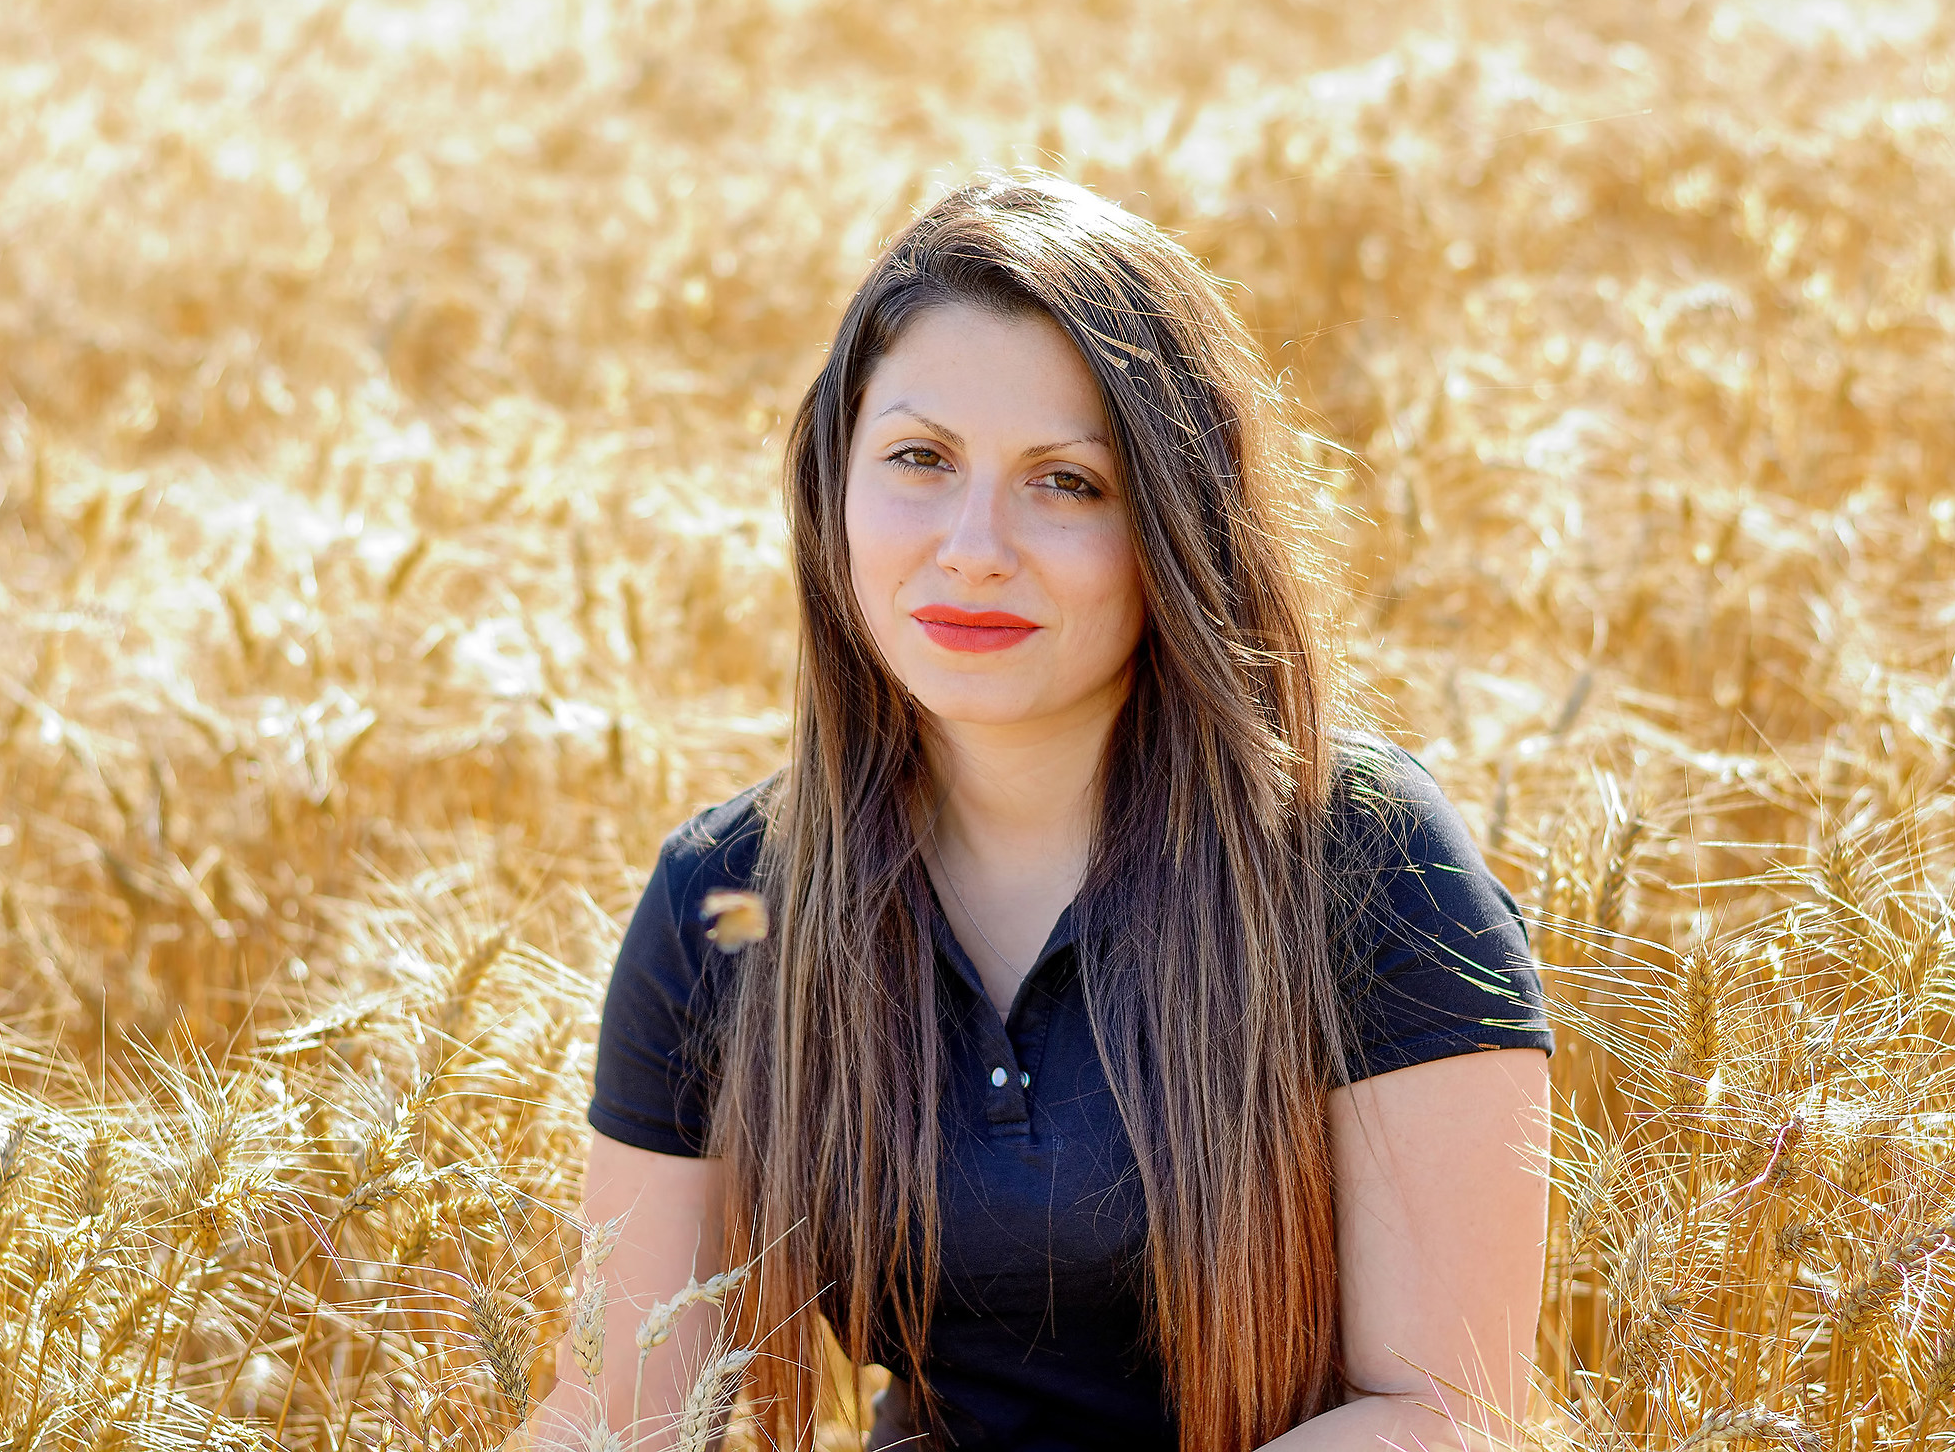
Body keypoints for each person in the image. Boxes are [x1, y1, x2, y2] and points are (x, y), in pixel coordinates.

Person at [525, 170, 1554, 1452]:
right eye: (919, 459)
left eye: (1064, 481)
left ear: (1179, 526)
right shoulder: (729, 900)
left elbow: (1450, 1415)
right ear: (833, 485)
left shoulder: (1355, 853)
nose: (971, 543)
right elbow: (626, 1414)